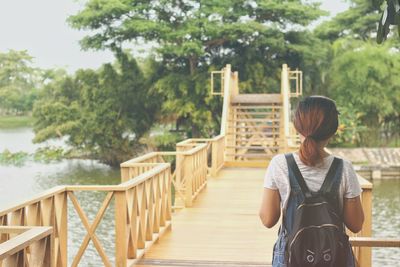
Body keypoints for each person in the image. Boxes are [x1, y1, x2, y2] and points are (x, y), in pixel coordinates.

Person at [259, 95, 364, 267]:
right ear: (333, 130)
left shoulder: (280, 164)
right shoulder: (344, 168)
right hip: (333, 257)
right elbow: (356, 224)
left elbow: (268, 219)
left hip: (290, 258)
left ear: (297, 126)